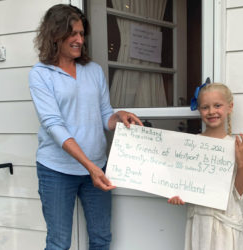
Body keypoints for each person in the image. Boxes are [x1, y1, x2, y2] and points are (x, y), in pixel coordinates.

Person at [29, 4, 143, 250]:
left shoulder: (93, 70)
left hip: (97, 166)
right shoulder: (41, 74)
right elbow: (53, 125)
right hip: (56, 170)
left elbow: (104, 115)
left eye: (82, 34)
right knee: (58, 243)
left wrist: (118, 116)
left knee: (101, 238)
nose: (80, 40)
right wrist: (89, 166)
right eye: (73, 34)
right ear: (55, 35)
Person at [168, 83, 243, 250]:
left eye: (217, 105)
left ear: (230, 107)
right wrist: (178, 194)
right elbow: (186, 181)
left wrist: (241, 163)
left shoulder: (236, 146)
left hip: (226, 224)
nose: (211, 111)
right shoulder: (192, 145)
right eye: (205, 107)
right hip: (199, 221)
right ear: (199, 110)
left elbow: (241, 193)